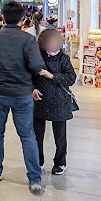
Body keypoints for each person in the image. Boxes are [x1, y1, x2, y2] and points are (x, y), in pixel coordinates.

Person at [0, 0, 47, 195]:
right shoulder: (28, 40)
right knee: (27, 135)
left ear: (2, 17)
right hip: (23, 94)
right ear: (21, 18)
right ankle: (34, 178)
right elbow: (36, 67)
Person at [32, 29, 77, 175]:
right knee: (37, 136)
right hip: (40, 101)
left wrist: (52, 76)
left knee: (60, 137)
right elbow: (28, 77)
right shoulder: (37, 57)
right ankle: (38, 162)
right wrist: (32, 89)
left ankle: (60, 163)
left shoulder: (64, 58)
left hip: (60, 103)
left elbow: (71, 78)